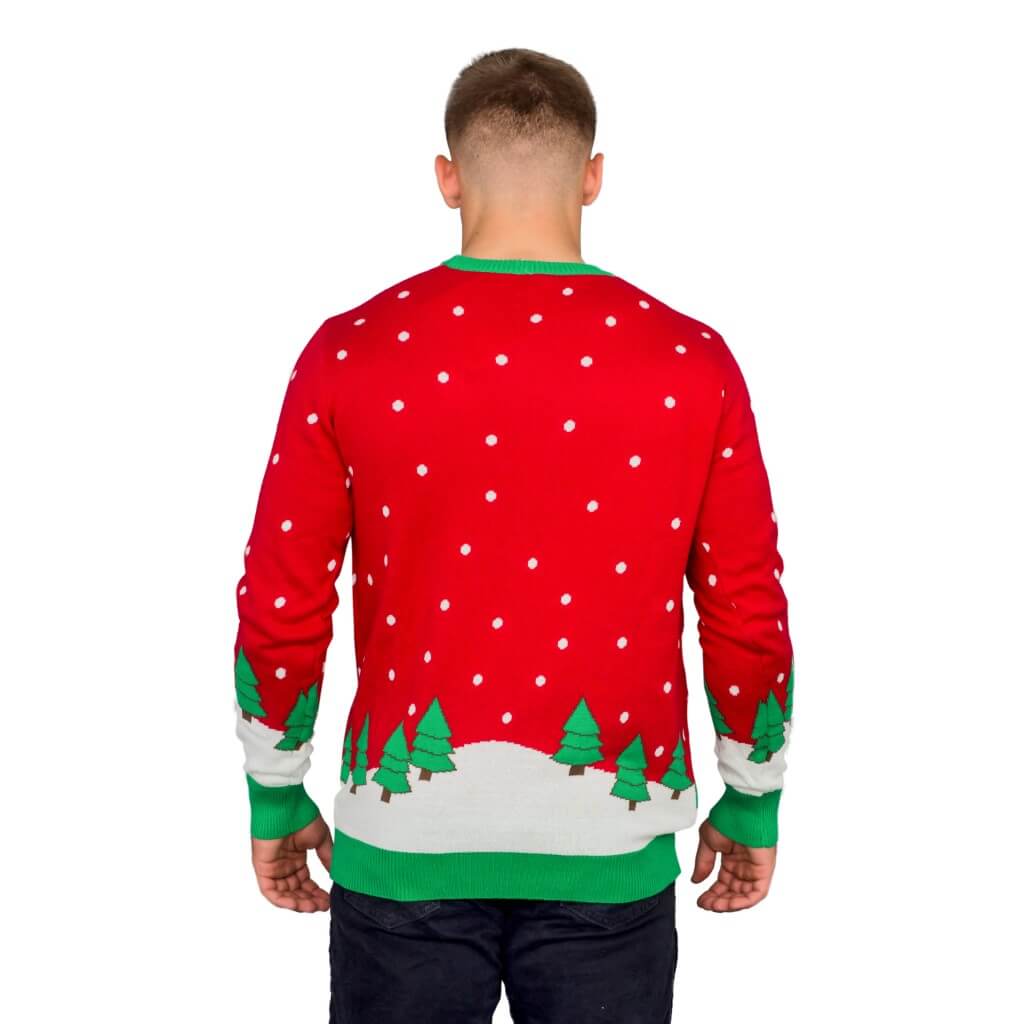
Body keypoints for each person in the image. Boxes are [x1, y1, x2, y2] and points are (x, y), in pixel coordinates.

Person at [232, 47, 794, 1024]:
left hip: (401, 846)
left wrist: (275, 791)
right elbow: (745, 605)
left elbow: (283, 598)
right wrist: (752, 794)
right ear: (593, 175)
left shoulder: (351, 352)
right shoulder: (689, 361)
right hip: (612, 854)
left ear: (446, 177)